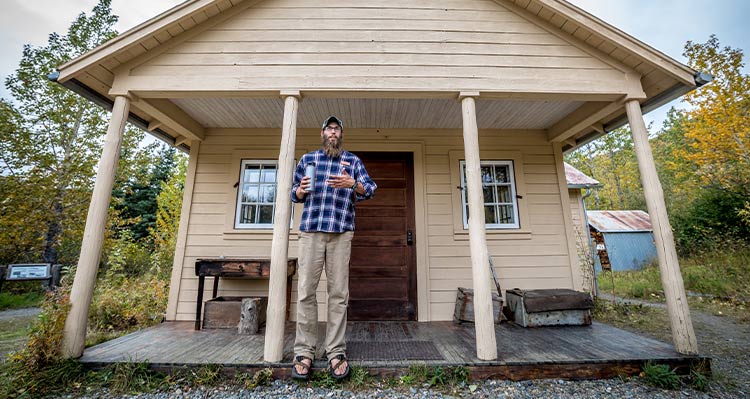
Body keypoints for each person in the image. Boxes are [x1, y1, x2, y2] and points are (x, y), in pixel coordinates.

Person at [289, 116, 377, 380]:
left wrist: (353, 184)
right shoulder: (308, 160)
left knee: (338, 294)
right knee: (306, 292)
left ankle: (335, 352)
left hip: (341, 233)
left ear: (341, 135)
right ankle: (305, 351)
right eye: (329, 128)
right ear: (322, 133)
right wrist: (301, 191)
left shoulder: (352, 162)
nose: (332, 133)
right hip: (311, 232)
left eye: (337, 129)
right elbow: (293, 192)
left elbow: (370, 189)